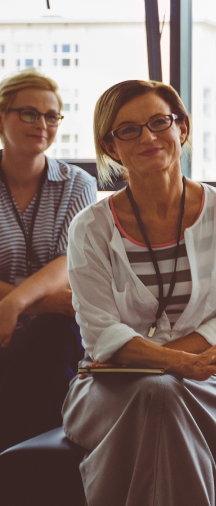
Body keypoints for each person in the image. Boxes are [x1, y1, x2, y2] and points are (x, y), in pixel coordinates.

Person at [62, 80, 216, 506]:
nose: (148, 137)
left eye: (159, 122)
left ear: (181, 129)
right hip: (108, 387)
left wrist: (179, 367)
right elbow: (99, 335)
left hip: (207, 385)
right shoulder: (91, 228)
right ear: (111, 147)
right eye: (128, 130)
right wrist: (181, 363)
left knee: (162, 393)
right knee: (161, 391)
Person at [0, 70, 96, 451]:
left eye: (51, 115)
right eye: (28, 113)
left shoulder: (78, 183)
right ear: (2, 117)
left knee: (53, 334)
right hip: (27, 315)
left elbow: (68, 261)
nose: (42, 124)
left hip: (56, 326)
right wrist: (30, 302)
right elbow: (56, 291)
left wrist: (14, 303)